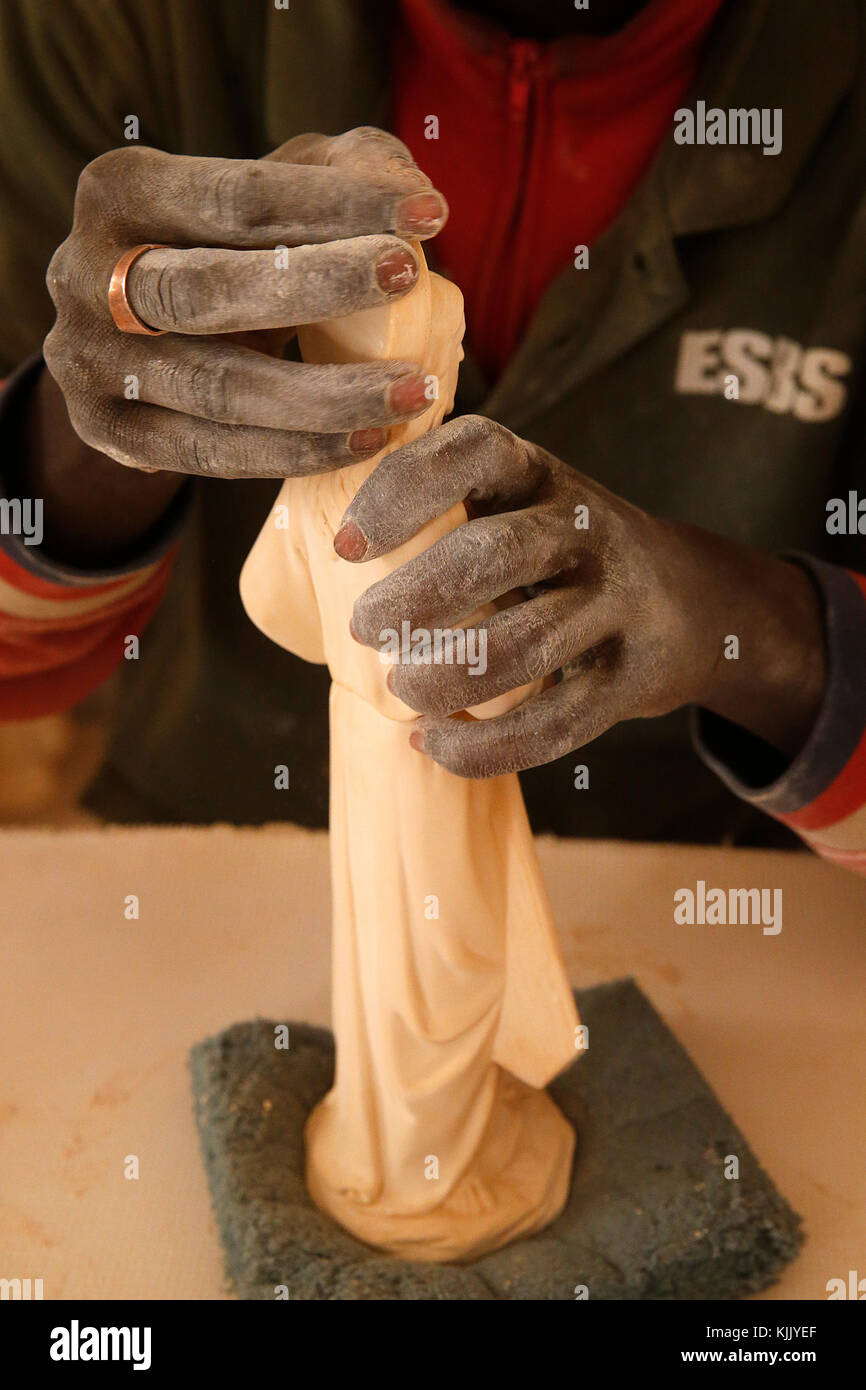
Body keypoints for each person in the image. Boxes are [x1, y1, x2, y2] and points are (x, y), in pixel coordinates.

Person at [0, 0, 863, 872]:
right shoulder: (116, 25)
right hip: (208, 870)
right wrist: (101, 426)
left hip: (723, 898)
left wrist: (747, 627)